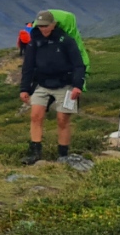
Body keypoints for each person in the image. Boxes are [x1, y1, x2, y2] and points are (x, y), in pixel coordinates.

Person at [19, 10, 83, 164]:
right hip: (42, 83)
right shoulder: (34, 41)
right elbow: (28, 66)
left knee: (62, 119)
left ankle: (63, 154)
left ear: (53, 24)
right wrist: (24, 88)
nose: (43, 29)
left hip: (65, 84)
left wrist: (77, 86)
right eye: (40, 26)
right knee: (35, 115)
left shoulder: (66, 40)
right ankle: (35, 153)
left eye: (46, 26)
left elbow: (78, 65)